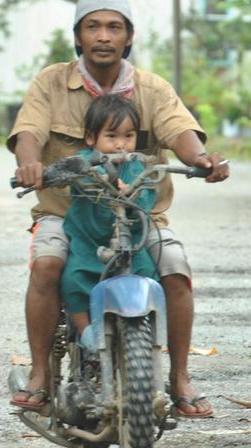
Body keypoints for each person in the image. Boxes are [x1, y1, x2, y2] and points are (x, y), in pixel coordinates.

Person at [8, 0, 229, 419]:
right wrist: (30, 164)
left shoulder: (152, 89)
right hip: (65, 214)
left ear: (129, 36)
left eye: (114, 27)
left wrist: (201, 159)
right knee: (49, 262)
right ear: (78, 36)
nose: (103, 36)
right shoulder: (51, 81)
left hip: (141, 216)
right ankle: (39, 373)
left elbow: (179, 130)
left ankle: (179, 376)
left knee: (176, 268)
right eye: (93, 27)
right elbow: (29, 131)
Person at [60, 94, 158, 335]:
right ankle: (86, 334)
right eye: (112, 136)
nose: (121, 145)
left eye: (129, 136)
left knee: (149, 275)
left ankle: (145, 335)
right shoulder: (85, 162)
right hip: (88, 244)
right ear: (91, 138)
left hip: (131, 244)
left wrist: (133, 193)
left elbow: (147, 198)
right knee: (72, 280)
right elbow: (77, 176)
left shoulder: (137, 168)